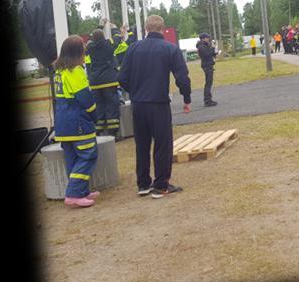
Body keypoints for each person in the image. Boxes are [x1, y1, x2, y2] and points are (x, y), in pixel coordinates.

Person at [118, 15, 192, 199]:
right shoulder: (170, 48)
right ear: (162, 29)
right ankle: (160, 185)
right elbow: (182, 77)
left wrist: (134, 91)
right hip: (158, 103)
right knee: (162, 144)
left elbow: (121, 78)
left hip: (138, 104)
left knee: (141, 145)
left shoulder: (133, 48)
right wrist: (186, 98)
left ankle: (143, 184)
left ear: (146, 29)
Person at [53, 35, 100, 208]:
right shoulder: (75, 70)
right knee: (88, 154)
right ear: (78, 52)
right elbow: (84, 97)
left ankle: (80, 191)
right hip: (77, 121)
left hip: (63, 122)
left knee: (72, 157)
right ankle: (73, 193)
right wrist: (94, 114)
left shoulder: (59, 70)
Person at [85, 28, 121, 138]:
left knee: (99, 105)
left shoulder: (90, 47)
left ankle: (99, 130)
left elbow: (90, 42)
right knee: (112, 104)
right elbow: (117, 38)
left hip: (95, 82)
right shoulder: (108, 45)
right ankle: (113, 132)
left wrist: (100, 26)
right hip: (108, 80)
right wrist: (114, 28)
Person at [196, 33, 218, 107]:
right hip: (207, 65)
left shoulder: (205, 45)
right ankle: (207, 101)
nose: (208, 39)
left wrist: (215, 51)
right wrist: (212, 48)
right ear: (203, 38)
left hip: (209, 64)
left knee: (209, 83)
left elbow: (211, 54)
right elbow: (207, 54)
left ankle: (209, 99)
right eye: (207, 37)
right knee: (208, 83)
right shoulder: (201, 46)